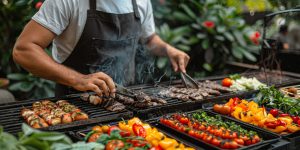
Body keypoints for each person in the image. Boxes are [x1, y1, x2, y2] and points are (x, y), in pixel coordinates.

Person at [12, 0, 190, 97]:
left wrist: (168, 49)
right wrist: (78, 79)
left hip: (129, 101)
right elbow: (24, 49)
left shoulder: (142, 2)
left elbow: (149, 39)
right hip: (75, 104)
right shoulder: (66, 1)